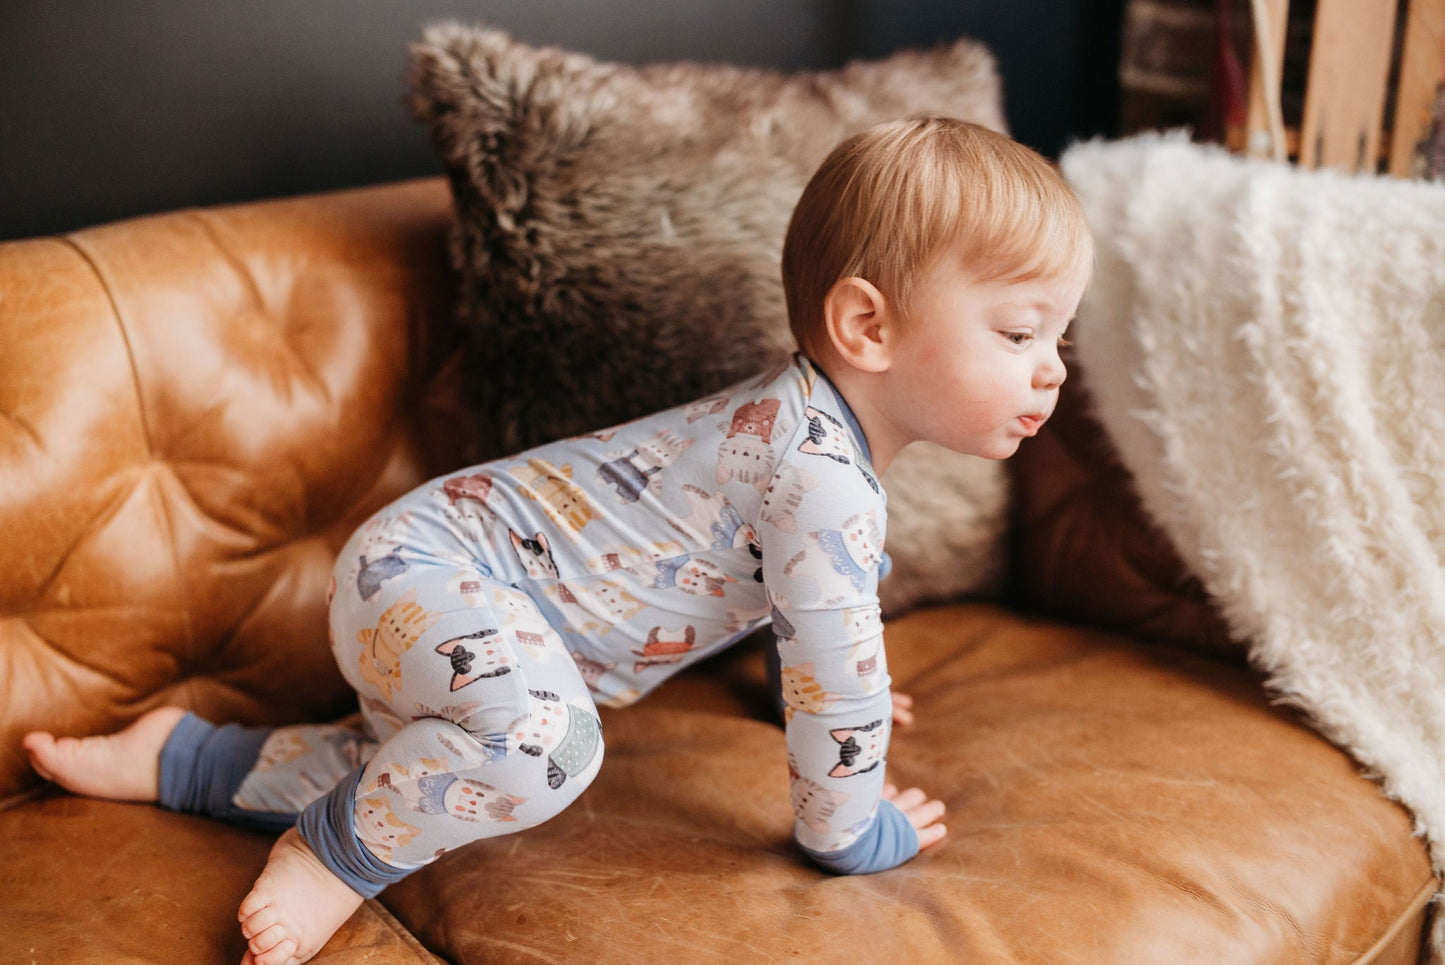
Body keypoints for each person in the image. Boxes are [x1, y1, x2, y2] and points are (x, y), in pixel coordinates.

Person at [23, 115, 1092, 965]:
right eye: (1016, 331)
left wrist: (786, 677)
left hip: (434, 581)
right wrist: (850, 832)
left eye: (1056, 333)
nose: (1050, 367)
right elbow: (838, 686)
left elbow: (778, 596)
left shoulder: (802, 435)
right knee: (546, 744)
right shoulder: (820, 474)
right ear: (867, 328)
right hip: (436, 573)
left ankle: (187, 759)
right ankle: (332, 855)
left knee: (430, 756)